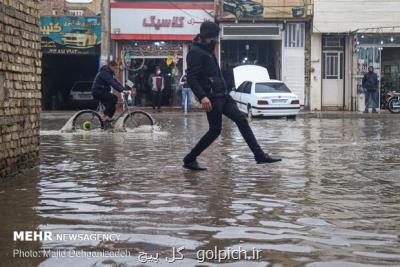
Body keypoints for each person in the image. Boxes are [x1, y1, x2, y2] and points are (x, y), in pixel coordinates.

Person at [182, 21, 281, 171]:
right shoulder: (195, 52)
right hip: (212, 98)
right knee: (215, 130)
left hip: (223, 95)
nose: (217, 38)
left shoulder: (208, 50)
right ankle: (190, 159)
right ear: (209, 36)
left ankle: (259, 155)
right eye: (215, 36)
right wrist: (202, 97)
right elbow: (191, 78)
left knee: (241, 119)